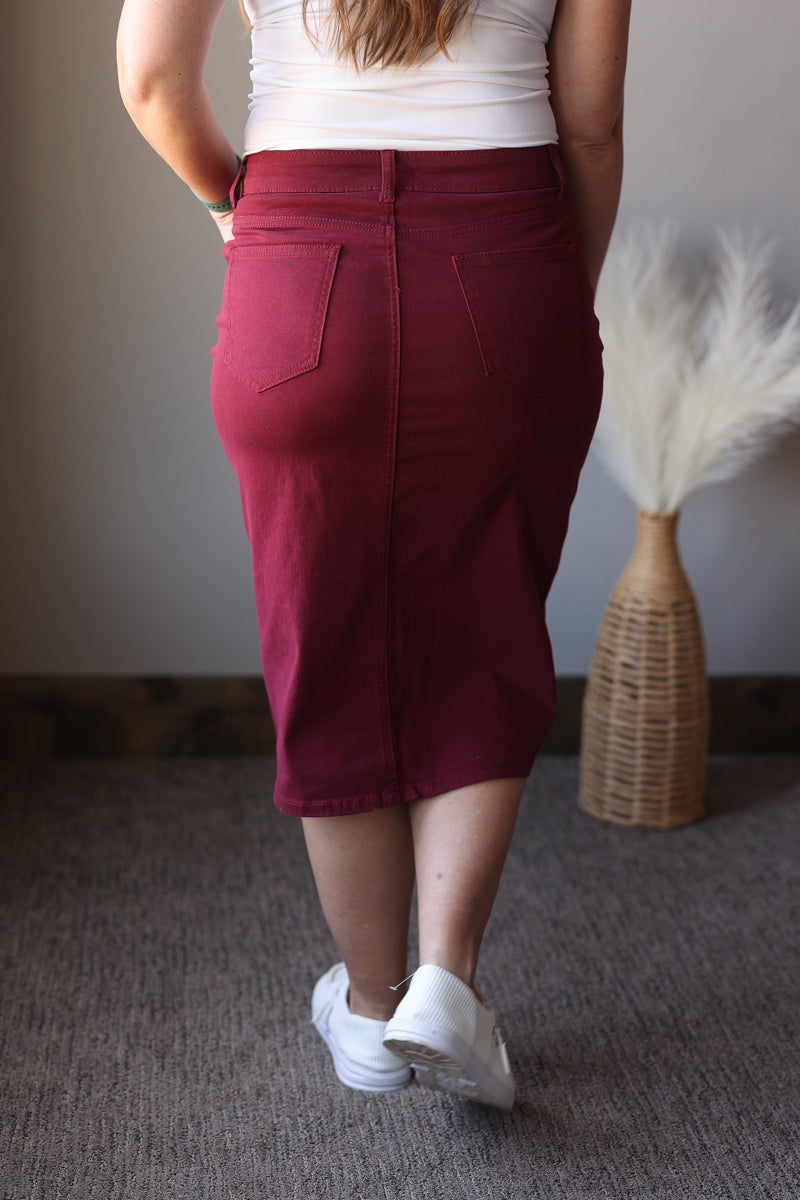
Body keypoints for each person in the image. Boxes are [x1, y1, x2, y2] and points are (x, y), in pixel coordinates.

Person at [117, 0, 631, 1110]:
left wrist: (232, 210)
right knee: (486, 626)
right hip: (507, 259)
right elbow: (588, 131)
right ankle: (445, 983)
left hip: (299, 256)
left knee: (325, 639)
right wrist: (549, 305)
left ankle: (366, 1005)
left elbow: (153, 79)